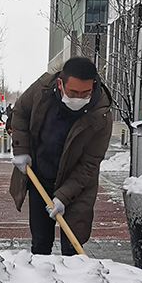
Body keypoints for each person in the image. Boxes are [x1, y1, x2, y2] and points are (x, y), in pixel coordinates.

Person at [9, 57, 113, 255]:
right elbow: (20, 112)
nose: (79, 98)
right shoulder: (42, 90)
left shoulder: (101, 115)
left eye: (85, 93)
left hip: (77, 185)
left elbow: (90, 164)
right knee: (40, 244)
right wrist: (21, 150)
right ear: (60, 84)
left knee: (72, 247)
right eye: (73, 92)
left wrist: (64, 197)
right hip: (40, 175)